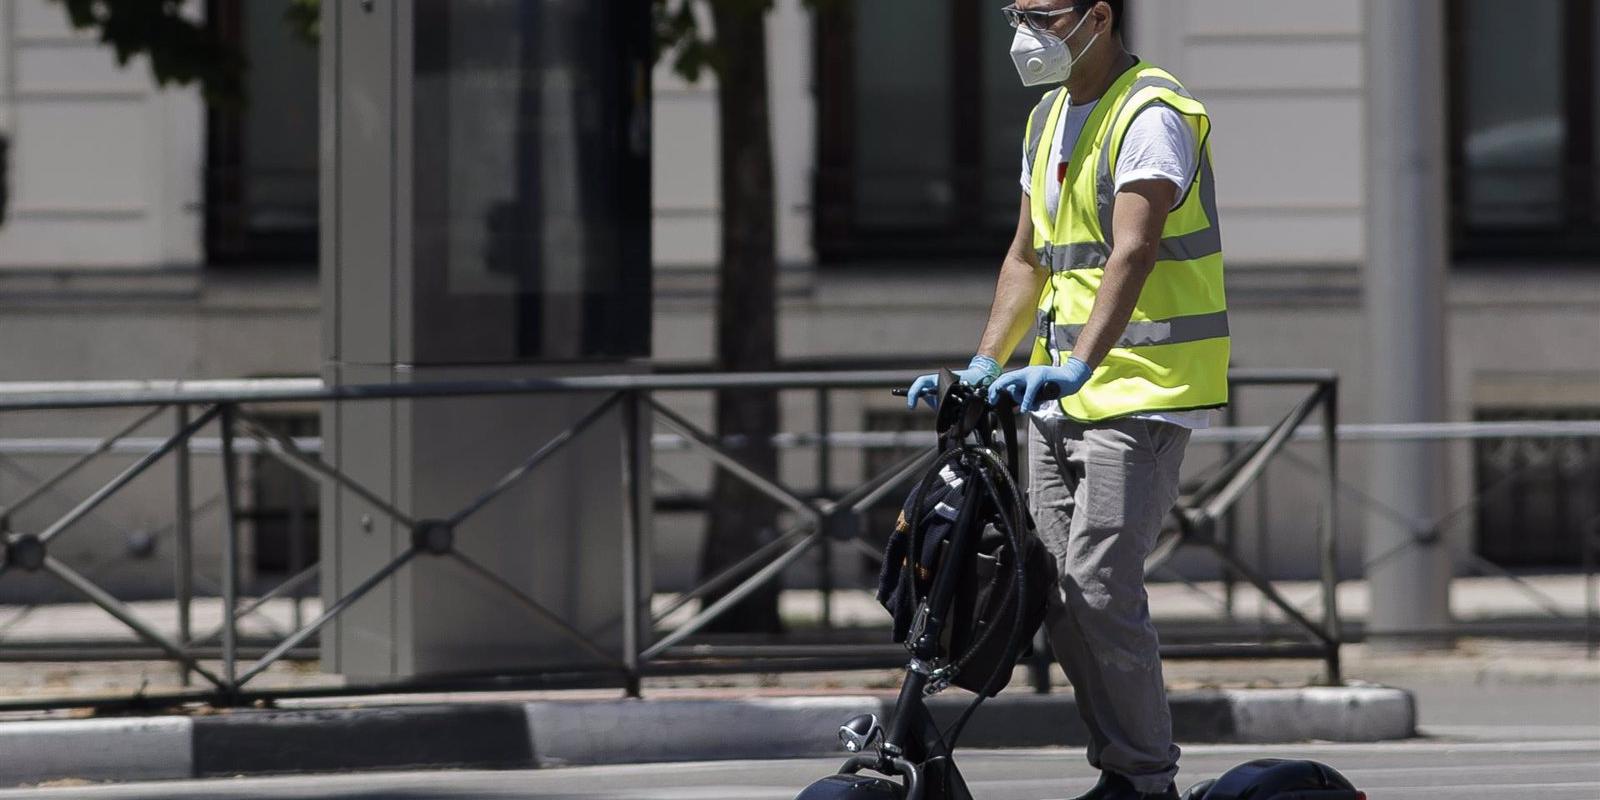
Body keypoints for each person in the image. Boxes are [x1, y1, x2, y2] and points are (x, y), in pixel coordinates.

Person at [905, 2, 1229, 798]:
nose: (1025, 31)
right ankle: (1122, 770)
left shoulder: (1151, 111)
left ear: (1098, 16)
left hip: (1140, 393)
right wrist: (984, 364)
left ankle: (1145, 780)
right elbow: (1028, 256)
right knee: (1052, 587)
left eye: (1044, 14)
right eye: (1015, 12)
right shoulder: (1049, 117)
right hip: (1058, 399)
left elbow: (1135, 248)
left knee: (1100, 584)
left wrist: (1081, 364)